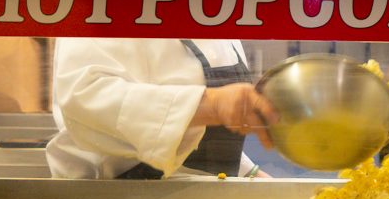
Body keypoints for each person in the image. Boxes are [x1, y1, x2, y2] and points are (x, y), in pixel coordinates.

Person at [46, 38, 278, 179]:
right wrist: (212, 105)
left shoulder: (211, 10)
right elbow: (88, 98)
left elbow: (204, 129)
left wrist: (245, 172)